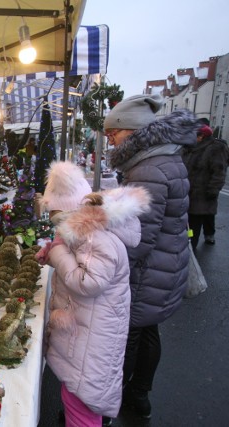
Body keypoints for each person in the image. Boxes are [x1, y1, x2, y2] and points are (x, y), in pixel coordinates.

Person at [104, 94, 197, 419]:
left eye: (114, 131)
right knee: (148, 331)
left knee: (127, 338)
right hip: (164, 267)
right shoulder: (163, 159)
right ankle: (139, 396)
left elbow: (138, 239)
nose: (110, 137)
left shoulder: (150, 168)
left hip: (147, 272)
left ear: (133, 130)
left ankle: (109, 405)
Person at [36, 161, 149, 427]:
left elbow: (87, 281)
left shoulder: (95, 238)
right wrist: (56, 250)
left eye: (57, 221)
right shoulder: (89, 233)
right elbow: (77, 259)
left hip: (93, 344)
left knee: (83, 405)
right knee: (77, 399)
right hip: (89, 335)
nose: (58, 230)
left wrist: (57, 252)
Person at [182, 121, 229, 247]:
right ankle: (189, 245)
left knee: (194, 225)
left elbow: (219, 172)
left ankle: (192, 247)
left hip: (201, 196)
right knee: (187, 226)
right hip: (187, 195)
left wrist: (212, 191)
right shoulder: (190, 148)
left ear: (201, 136)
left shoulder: (215, 148)